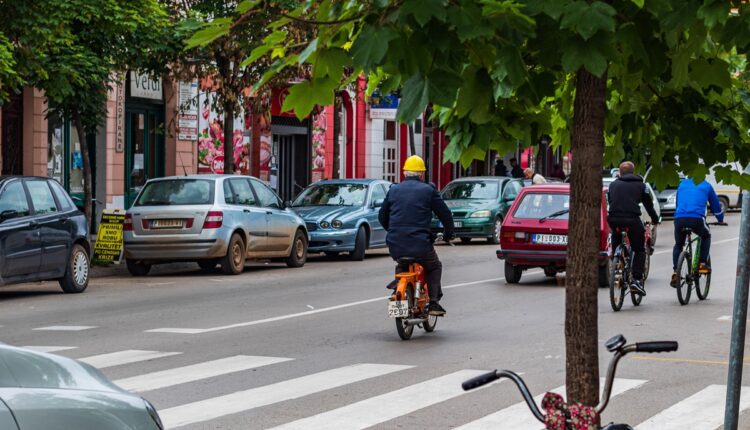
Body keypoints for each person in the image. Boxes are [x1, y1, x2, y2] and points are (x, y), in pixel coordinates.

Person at [379, 155, 455, 316]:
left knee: (402, 264)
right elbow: (445, 215)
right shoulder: (428, 190)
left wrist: (393, 231)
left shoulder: (393, 190)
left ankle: (398, 292)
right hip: (420, 245)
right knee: (434, 266)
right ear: (421, 174)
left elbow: (382, 216)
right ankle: (434, 303)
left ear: (405, 173)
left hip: (395, 243)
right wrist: (449, 234)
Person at [607, 161, 660, 296]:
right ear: (633, 172)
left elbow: (611, 201)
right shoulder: (641, 186)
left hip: (614, 219)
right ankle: (636, 279)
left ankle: (616, 256)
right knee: (639, 249)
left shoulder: (613, 185)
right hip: (632, 220)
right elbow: (648, 205)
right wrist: (655, 219)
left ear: (619, 173)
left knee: (616, 233)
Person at [670, 177, 725, 286]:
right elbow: (715, 206)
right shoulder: (707, 185)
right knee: (706, 236)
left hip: (679, 219)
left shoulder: (682, 184)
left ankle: (676, 271)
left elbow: (678, 203)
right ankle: (702, 263)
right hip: (697, 219)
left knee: (678, 244)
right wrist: (720, 219)